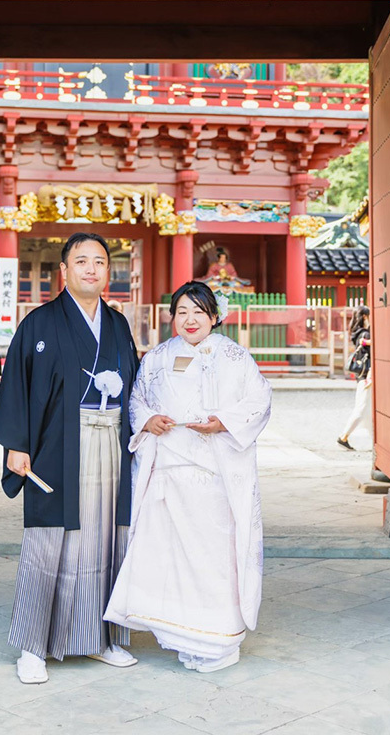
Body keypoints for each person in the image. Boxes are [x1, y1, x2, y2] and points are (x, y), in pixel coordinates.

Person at [0, 232, 139, 685]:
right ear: (65, 271)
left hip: (111, 440)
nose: (91, 269)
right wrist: (17, 443)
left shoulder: (117, 324)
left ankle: (103, 638)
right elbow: (17, 382)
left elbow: (137, 387)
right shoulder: (39, 323)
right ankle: (34, 646)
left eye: (99, 262)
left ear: (108, 272)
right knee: (49, 542)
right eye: (82, 261)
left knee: (108, 539)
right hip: (57, 444)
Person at [105, 280, 271, 674]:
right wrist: (149, 419)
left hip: (215, 478)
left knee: (213, 557)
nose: (190, 319)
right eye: (182, 311)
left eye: (199, 311)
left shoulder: (236, 357)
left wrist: (224, 423)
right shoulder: (158, 357)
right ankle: (178, 633)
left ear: (214, 316)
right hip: (169, 473)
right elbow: (137, 399)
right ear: (172, 317)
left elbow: (260, 399)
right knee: (172, 556)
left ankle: (217, 637)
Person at [338, 304, 372, 451]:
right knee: (361, 409)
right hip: (366, 376)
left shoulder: (358, 333)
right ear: (365, 316)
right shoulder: (365, 334)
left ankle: (374, 441)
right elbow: (371, 346)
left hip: (362, 376)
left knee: (367, 411)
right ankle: (343, 436)